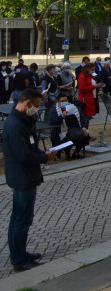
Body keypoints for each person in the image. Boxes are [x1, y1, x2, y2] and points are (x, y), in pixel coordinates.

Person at [3, 88, 56, 272]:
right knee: (22, 219)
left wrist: (43, 154)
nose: (37, 109)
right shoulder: (16, 125)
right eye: (36, 105)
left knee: (19, 218)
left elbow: (30, 149)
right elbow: (24, 155)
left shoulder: (21, 121)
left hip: (25, 176)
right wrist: (44, 157)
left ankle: (20, 253)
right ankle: (18, 259)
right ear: (27, 103)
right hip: (23, 177)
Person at [77, 62, 101, 129]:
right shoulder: (82, 76)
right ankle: (85, 133)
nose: (93, 71)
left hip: (91, 97)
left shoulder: (90, 76)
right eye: (92, 70)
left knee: (87, 117)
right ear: (88, 69)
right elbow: (82, 89)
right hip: (85, 99)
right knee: (85, 117)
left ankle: (86, 133)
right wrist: (94, 86)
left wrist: (97, 86)